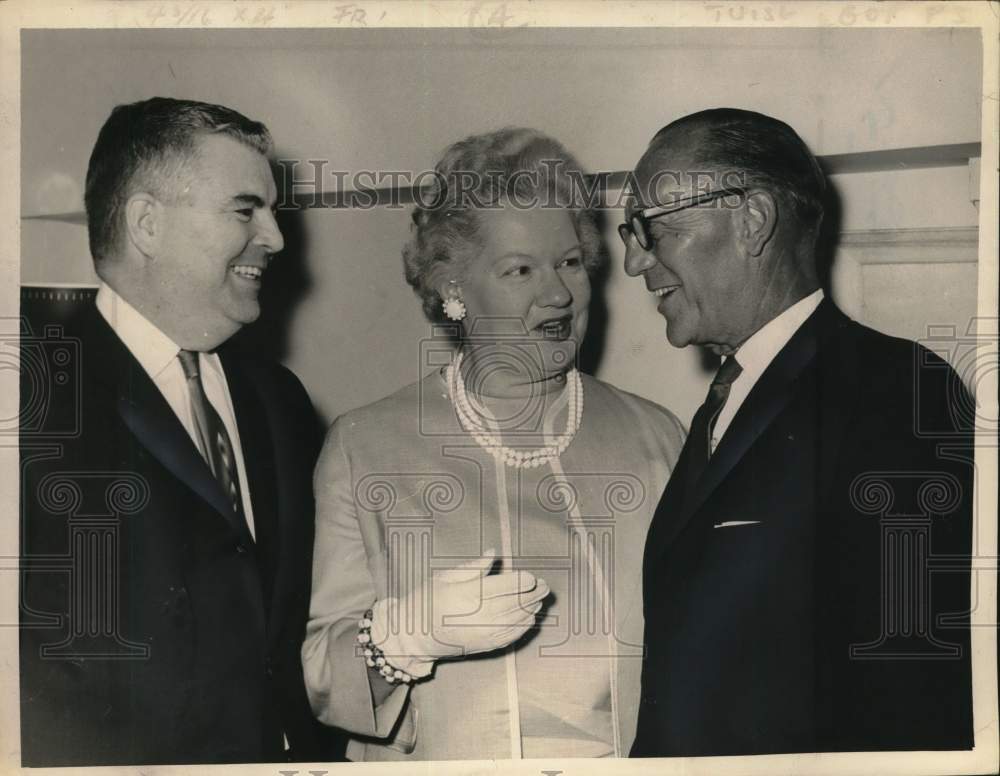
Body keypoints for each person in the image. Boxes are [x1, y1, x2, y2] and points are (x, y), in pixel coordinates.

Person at [302, 127, 686, 760]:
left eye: (569, 262)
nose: (559, 293)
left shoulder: (655, 436)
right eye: (520, 270)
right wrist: (405, 639)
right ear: (453, 288)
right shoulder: (364, 445)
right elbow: (322, 674)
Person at [622, 108, 975, 757]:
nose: (631, 260)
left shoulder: (893, 387)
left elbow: (914, 675)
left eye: (651, 229)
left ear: (751, 221)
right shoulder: (726, 401)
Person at [19, 97, 342, 765]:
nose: (277, 238)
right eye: (245, 209)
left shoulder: (280, 403)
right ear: (146, 223)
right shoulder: (34, 400)